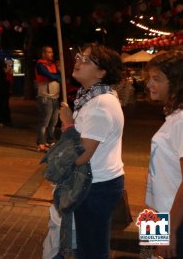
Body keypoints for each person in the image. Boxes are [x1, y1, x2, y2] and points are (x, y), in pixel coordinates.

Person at [58, 43, 125, 259]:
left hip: (95, 186)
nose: (78, 61)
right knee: (90, 244)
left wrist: (68, 123)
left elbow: (80, 156)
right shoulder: (94, 99)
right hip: (98, 182)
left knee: (91, 250)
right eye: (78, 56)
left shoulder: (99, 105)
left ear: (102, 71)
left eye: (86, 59)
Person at [144, 49, 183, 259]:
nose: (149, 84)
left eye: (157, 79)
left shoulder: (181, 121)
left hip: (174, 221)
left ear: (176, 82)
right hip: (160, 216)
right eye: (149, 78)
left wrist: (170, 231)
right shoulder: (173, 118)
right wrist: (152, 228)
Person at [36, 46, 61, 152]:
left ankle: (50, 141)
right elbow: (50, 76)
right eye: (49, 52)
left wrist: (56, 75)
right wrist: (56, 76)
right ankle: (41, 143)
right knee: (44, 122)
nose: (51, 54)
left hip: (54, 96)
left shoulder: (53, 65)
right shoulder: (40, 65)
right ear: (43, 53)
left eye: (52, 52)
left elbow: (57, 76)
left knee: (53, 122)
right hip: (45, 97)